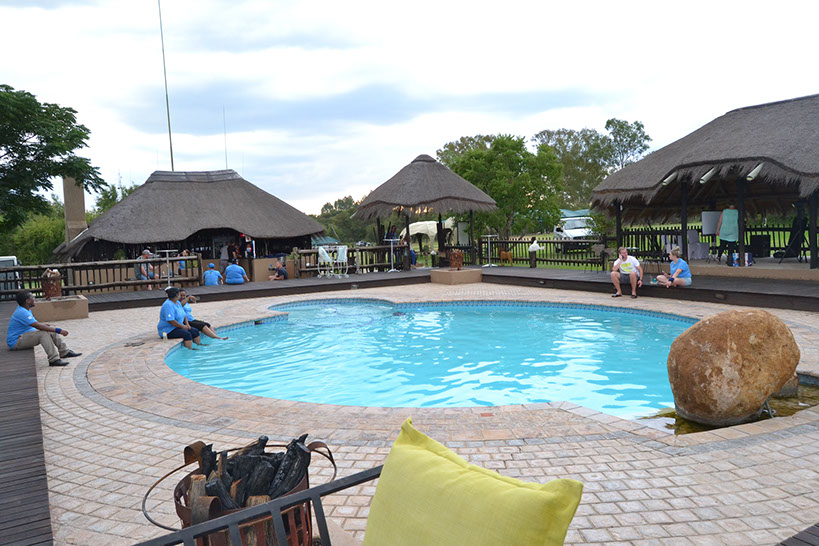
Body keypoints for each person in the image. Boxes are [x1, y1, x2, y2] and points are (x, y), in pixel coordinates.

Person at [7, 290, 82, 366]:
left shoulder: (25, 310)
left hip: (24, 336)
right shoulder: (22, 312)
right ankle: (54, 360)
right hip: (16, 342)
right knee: (43, 334)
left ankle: (64, 352)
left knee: (49, 329)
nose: (34, 299)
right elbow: (38, 326)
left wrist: (47, 326)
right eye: (33, 297)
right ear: (28, 301)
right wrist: (59, 331)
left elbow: (36, 324)